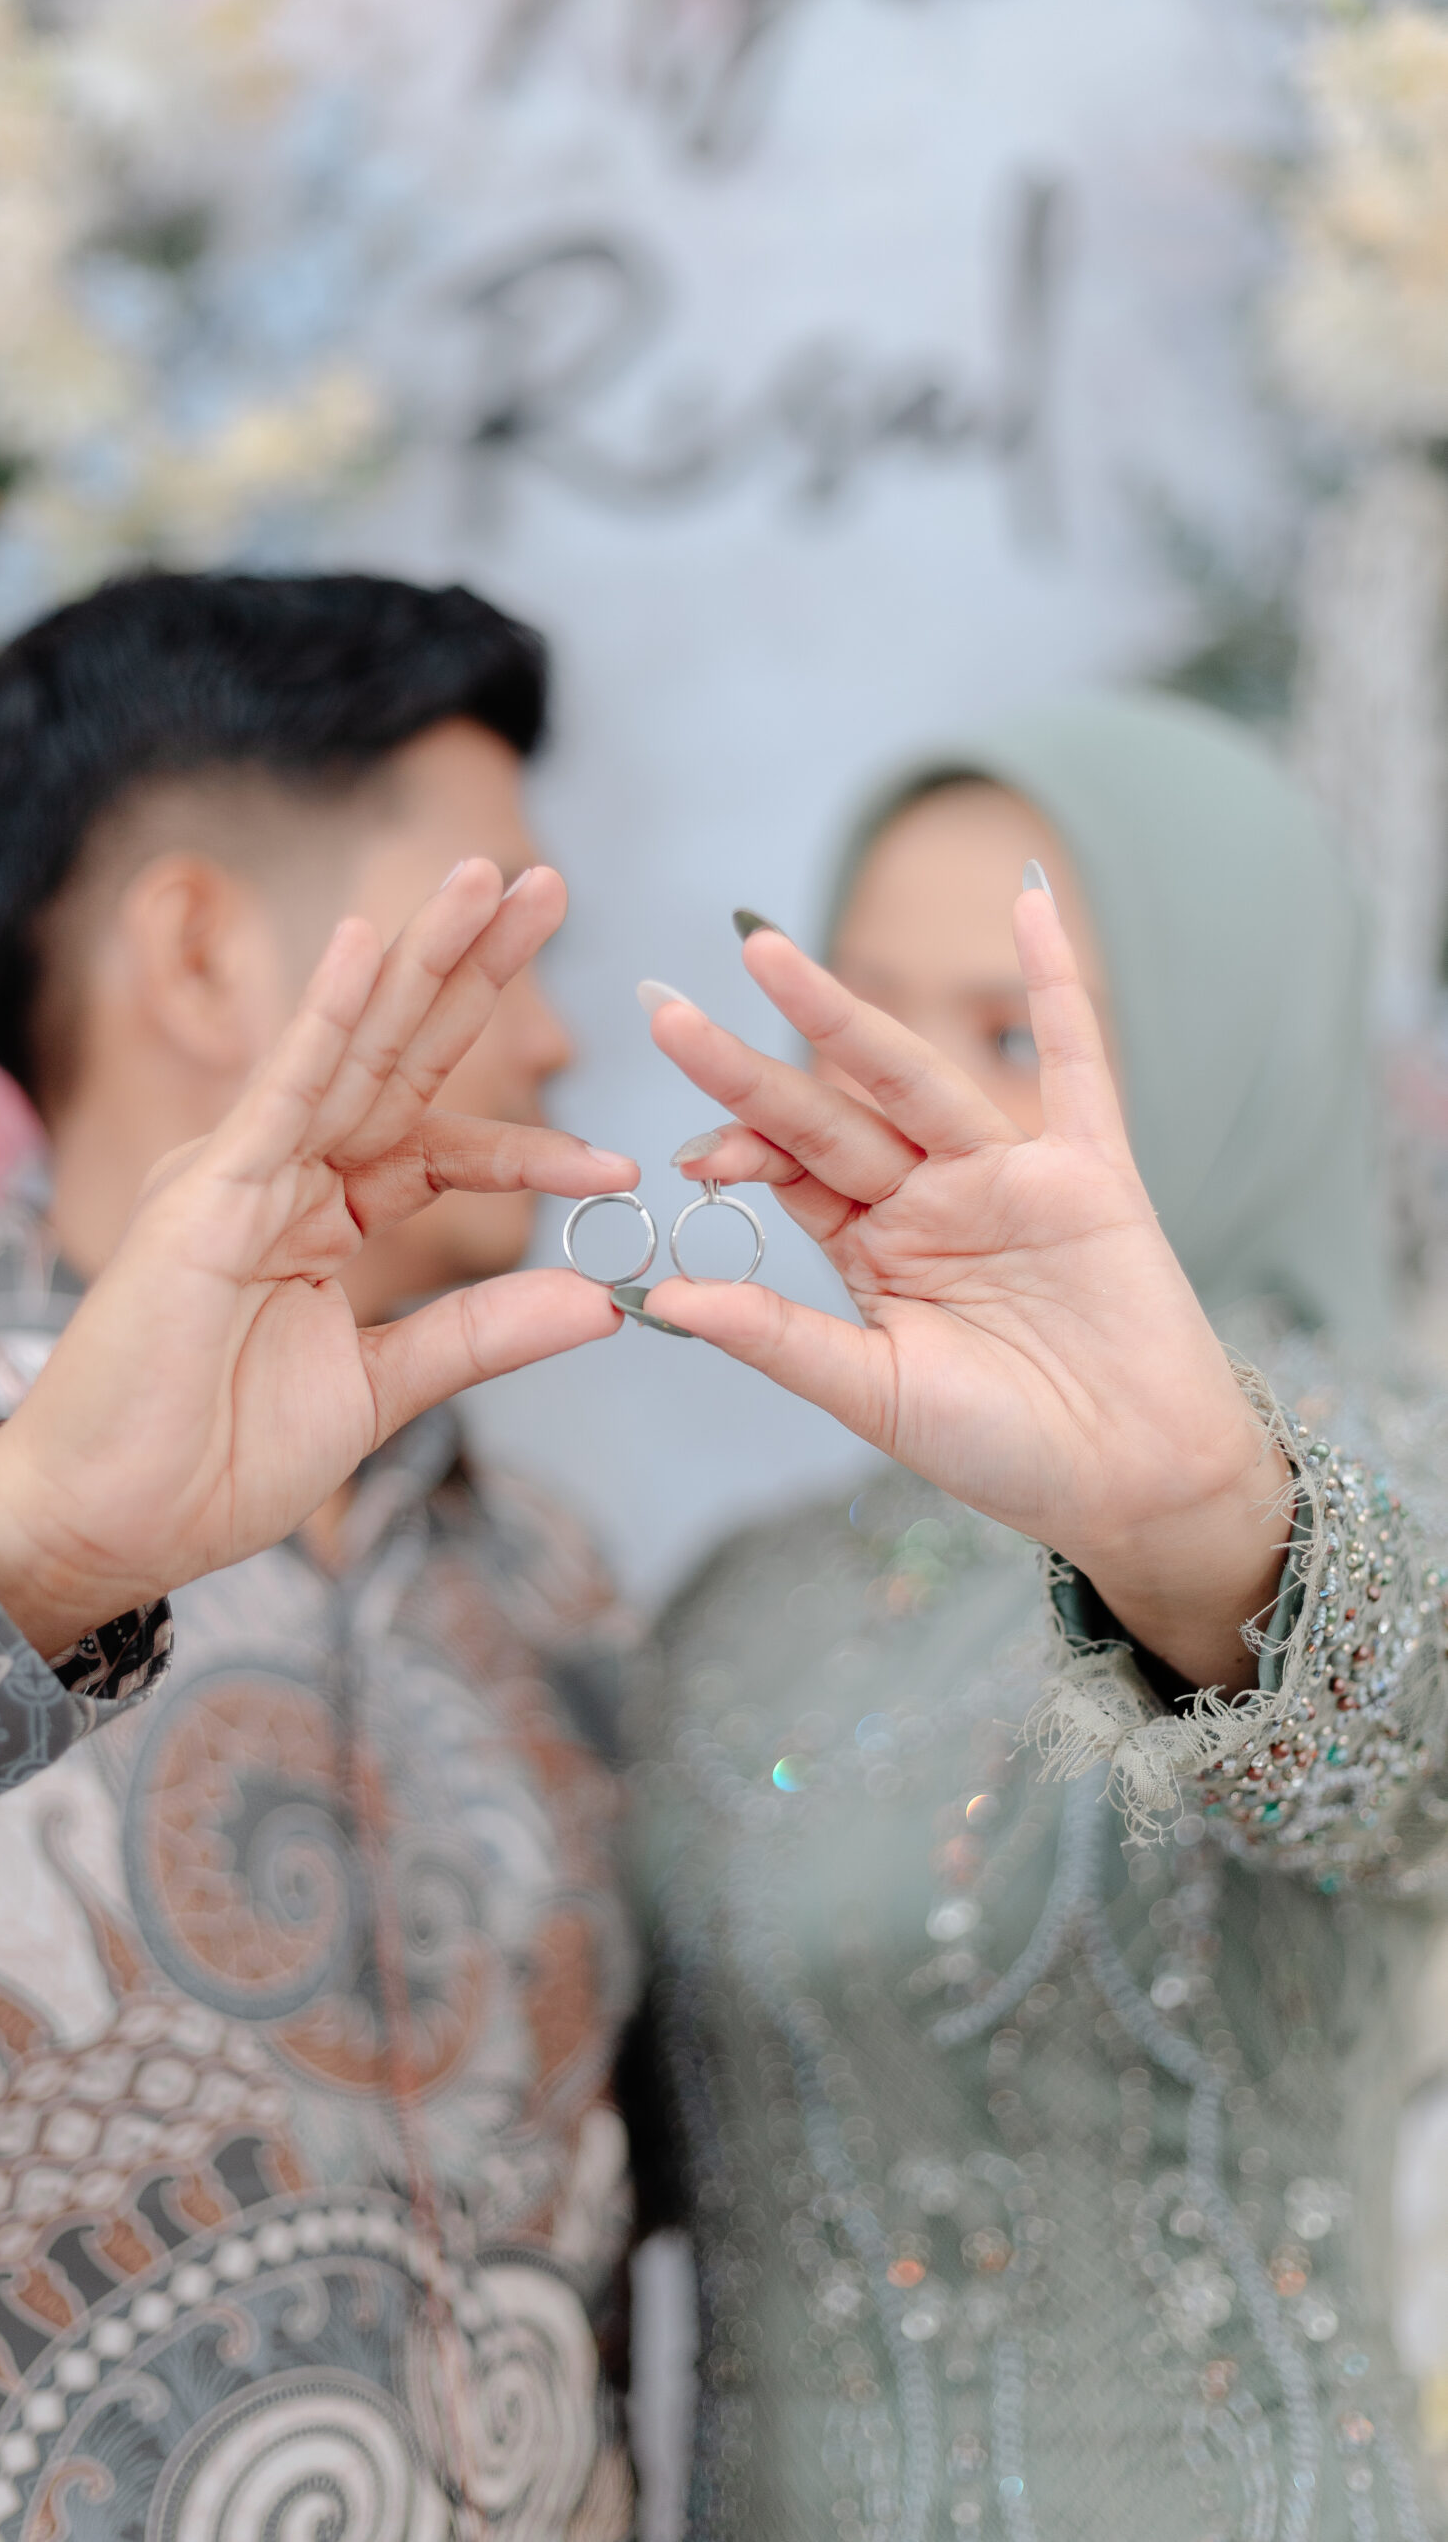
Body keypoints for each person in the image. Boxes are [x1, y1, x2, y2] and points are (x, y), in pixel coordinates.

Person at [0, 574, 647, 2542]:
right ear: (201, 948)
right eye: (498, 936)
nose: (561, 1034)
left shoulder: (551, 1582)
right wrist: (19, 1550)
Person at [631, 692, 1448, 2540]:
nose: (922, 1107)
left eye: (1016, 1034)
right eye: (868, 1017)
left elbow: (1402, 1729)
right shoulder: (736, 1604)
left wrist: (1205, 1530)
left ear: (1229, 1040)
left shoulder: (1375, 1470)